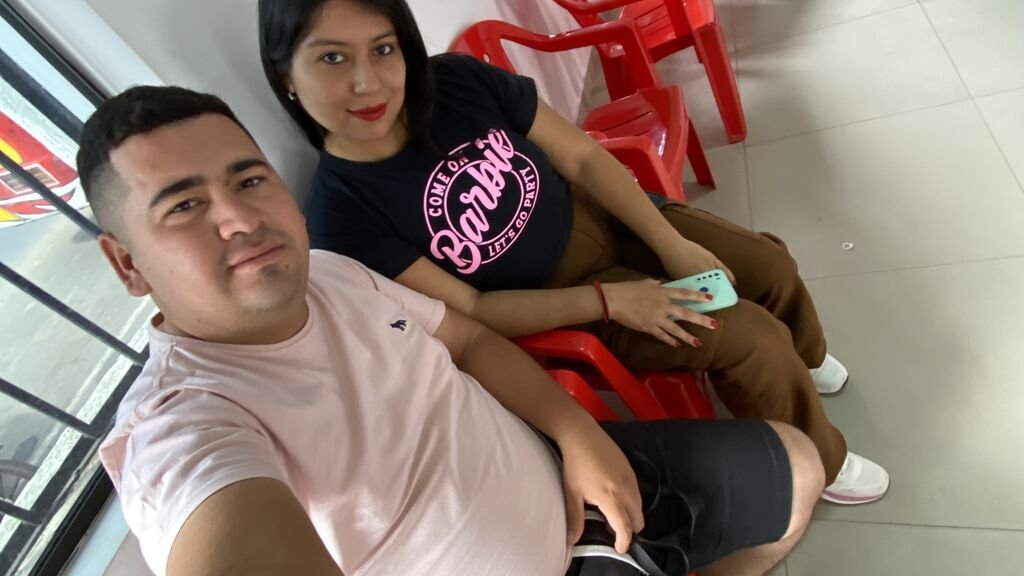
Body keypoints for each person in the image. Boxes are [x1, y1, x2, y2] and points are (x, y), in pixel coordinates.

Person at [83, 86, 822, 576]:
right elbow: (232, 536)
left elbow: (467, 340)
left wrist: (577, 434)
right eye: (184, 206)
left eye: (249, 180)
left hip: (569, 479)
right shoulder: (184, 424)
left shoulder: (332, 271)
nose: (239, 218)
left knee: (799, 469)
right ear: (126, 263)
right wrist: (605, 302)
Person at [258, 0, 889, 504]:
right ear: (286, 75)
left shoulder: (455, 82)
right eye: (332, 57)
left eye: (383, 48)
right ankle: (821, 458)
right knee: (748, 336)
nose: (367, 82)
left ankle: (805, 363)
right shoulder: (341, 215)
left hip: (604, 220)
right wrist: (611, 301)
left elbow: (583, 157)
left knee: (767, 264)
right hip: (561, 300)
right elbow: (472, 309)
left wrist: (672, 244)